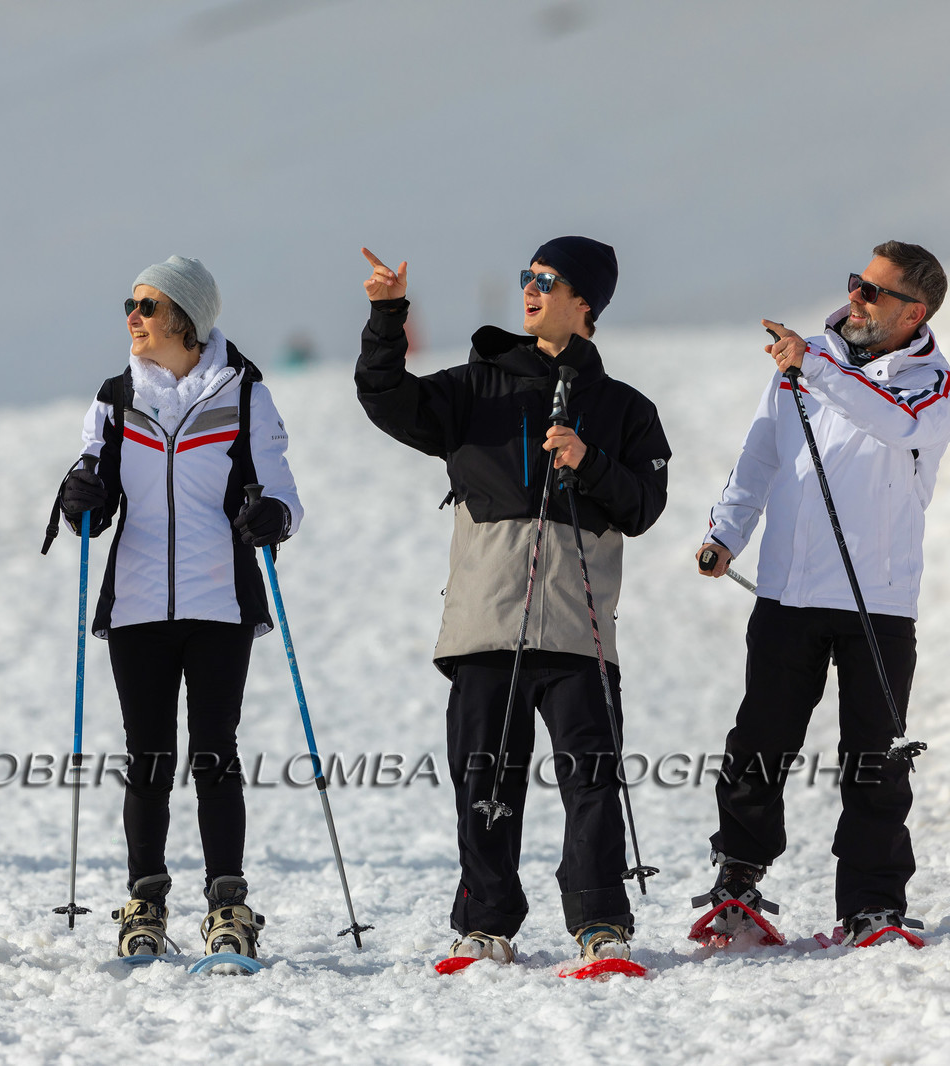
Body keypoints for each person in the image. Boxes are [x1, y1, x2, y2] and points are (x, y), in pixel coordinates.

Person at [356, 238, 671, 967]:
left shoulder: (627, 410)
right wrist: (385, 316)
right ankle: (485, 923)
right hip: (486, 626)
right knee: (483, 783)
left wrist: (588, 461)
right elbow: (385, 397)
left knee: (592, 785)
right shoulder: (474, 387)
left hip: (577, 634)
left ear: (584, 304)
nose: (529, 287)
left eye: (547, 280)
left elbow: (644, 506)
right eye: (527, 276)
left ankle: (600, 924)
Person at [693, 241, 950, 945]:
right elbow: (759, 456)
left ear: (917, 312)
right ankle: (737, 886)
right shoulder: (803, 362)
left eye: (875, 292)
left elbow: (894, 423)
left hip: (879, 602)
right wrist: (727, 533)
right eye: (856, 284)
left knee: (875, 759)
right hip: (788, 592)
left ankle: (871, 906)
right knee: (759, 744)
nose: (856, 299)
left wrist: (812, 367)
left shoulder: (935, 384)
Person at [54, 256, 302, 965]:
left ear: (187, 320)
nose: (133, 317)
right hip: (136, 604)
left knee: (215, 752)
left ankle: (229, 902)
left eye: (147, 306)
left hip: (219, 600)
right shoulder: (112, 397)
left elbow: (282, 488)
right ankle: (145, 899)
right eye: (129, 304)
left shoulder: (244, 391)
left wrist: (273, 515)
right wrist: (81, 499)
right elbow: (89, 485)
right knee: (148, 757)